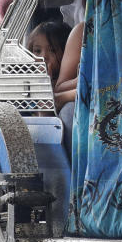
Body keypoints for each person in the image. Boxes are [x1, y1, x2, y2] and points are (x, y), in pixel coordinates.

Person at [27, 19, 83, 156]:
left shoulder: (62, 85)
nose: (43, 57)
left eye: (52, 50)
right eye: (37, 51)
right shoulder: (29, 85)